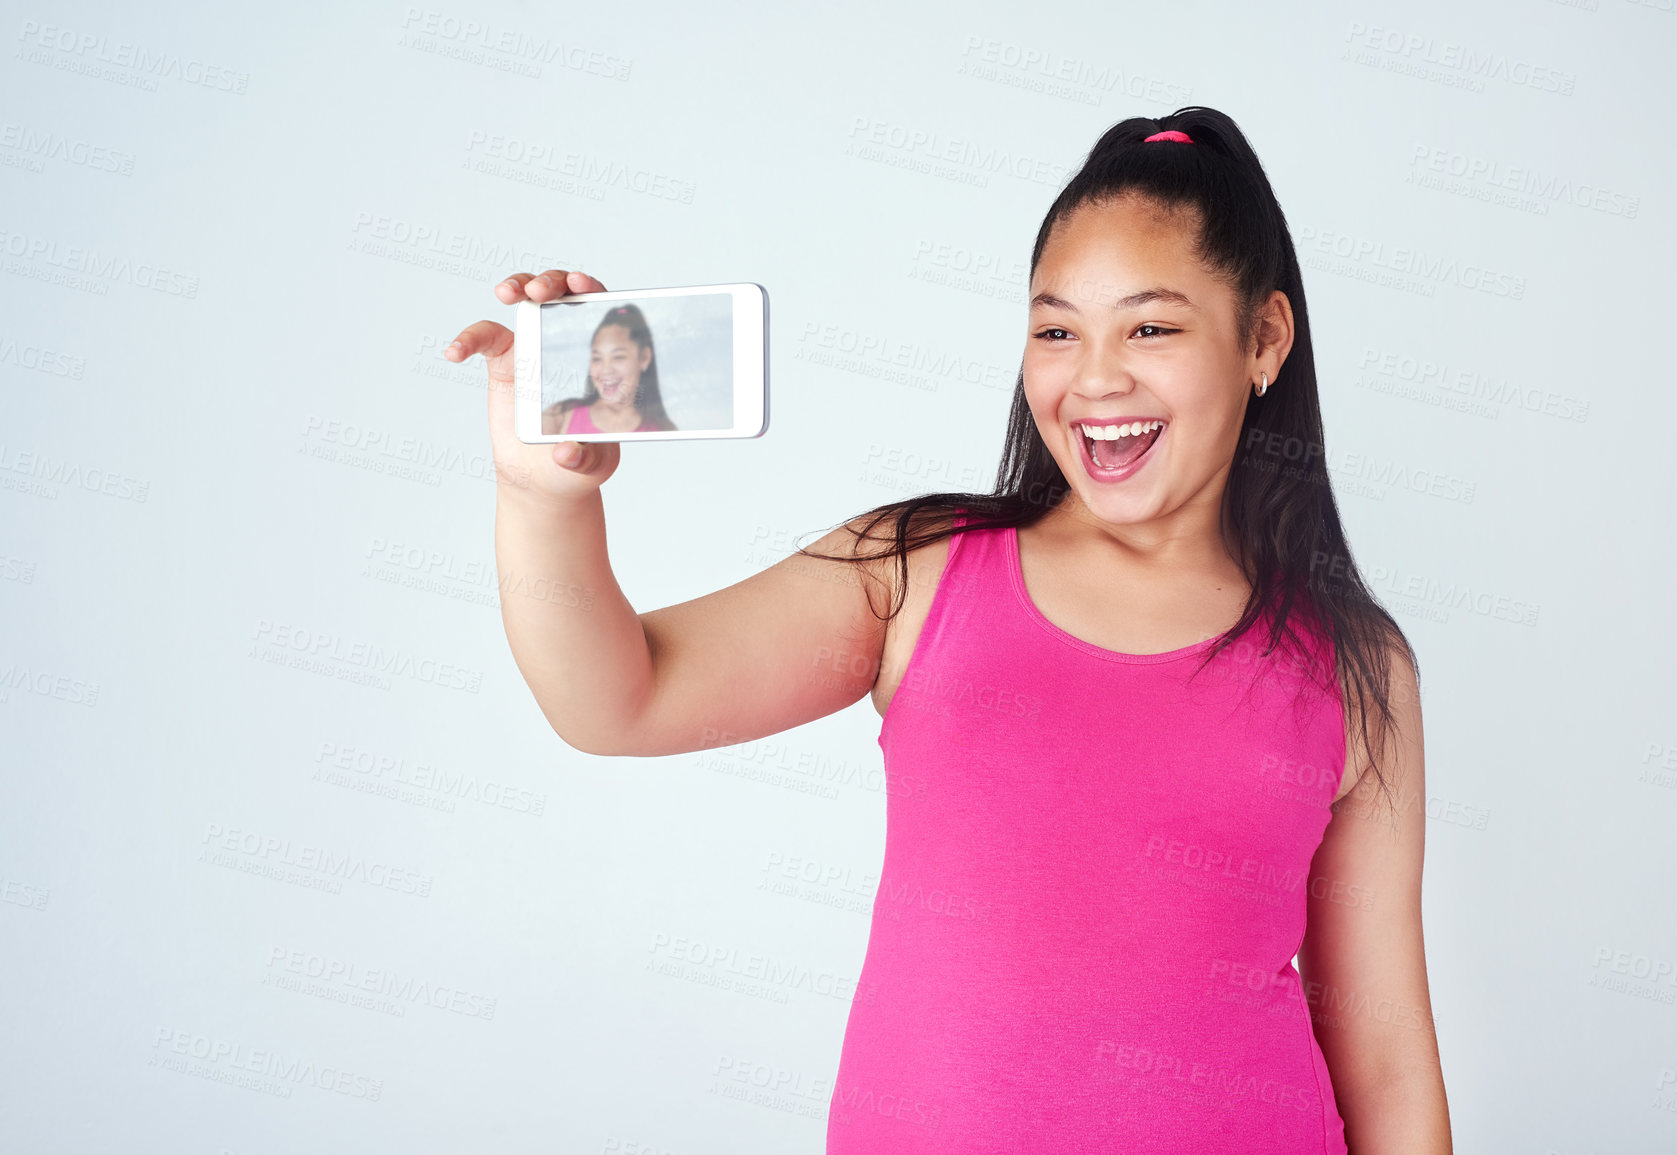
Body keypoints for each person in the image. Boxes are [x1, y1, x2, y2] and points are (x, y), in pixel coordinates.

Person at [445, 106, 1450, 1154]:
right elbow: (616, 698)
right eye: (1057, 329)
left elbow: (1384, 1059)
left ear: (1264, 340)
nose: (1095, 378)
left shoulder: (1352, 665)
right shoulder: (917, 571)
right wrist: (541, 497)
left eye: (1150, 327)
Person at [539, 302, 678, 435]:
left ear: (644, 358)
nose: (606, 371)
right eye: (597, 358)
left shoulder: (664, 430)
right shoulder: (560, 417)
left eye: (618, 357)